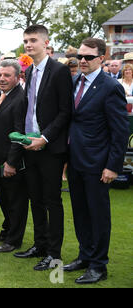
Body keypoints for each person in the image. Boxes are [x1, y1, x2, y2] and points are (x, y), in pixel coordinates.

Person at [64, 38, 129, 284]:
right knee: (80, 212)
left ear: (102, 58)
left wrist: (113, 165)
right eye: (80, 56)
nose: (82, 61)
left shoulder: (109, 87)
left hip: (98, 164)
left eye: (88, 57)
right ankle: (85, 256)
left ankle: (99, 265)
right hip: (75, 160)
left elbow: (120, 132)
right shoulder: (73, 82)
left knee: (98, 215)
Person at [14, 25, 73, 272]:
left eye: (33, 40)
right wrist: (28, 139)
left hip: (50, 147)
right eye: (26, 40)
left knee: (51, 201)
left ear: (46, 42)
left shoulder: (59, 71)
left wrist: (45, 138)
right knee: (35, 199)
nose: (28, 44)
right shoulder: (30, 72)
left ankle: (53, 253)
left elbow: (65, 111)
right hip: (31, 145)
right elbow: (32, 108)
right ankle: (40, 245)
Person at [0, 59, 29, 253]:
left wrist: (11, 162)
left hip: (10, 161)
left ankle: (14, 240)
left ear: (18, 77)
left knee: (16, 202)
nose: (2, 79)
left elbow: (18, 133)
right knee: (4, 199)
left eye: (7, 75)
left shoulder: (21, 99)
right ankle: (6, 231)